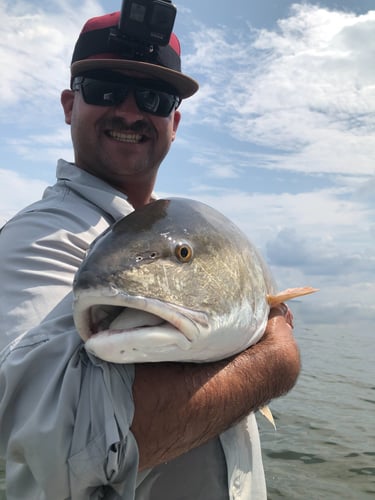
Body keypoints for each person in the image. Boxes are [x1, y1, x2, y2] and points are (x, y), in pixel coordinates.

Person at [0, 10, 300, 500]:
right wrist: (275, 360)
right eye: (105, 89)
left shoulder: (153, 224)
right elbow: (70, 448)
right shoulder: (42, 235)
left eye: (155, 99)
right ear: (69, 104)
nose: (131, 111)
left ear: (174, 122)